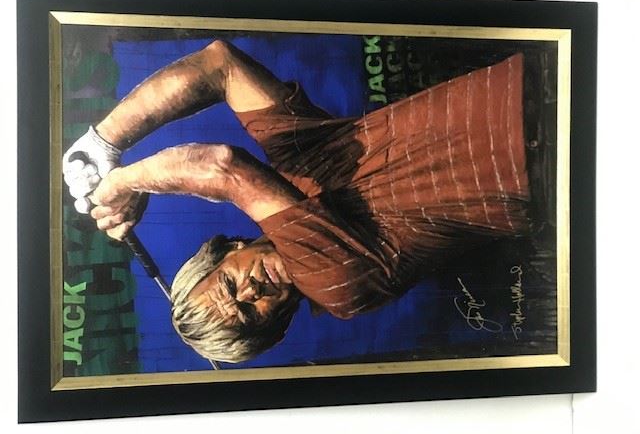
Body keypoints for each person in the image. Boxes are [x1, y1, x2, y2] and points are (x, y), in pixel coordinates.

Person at [62, 40, 531, 363]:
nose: (251, 292)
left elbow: (219, 66)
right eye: (249, 313)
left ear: (227, 251)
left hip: (537, 79)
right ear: (275, 326)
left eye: (229, 284)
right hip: (551, 163)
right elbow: (224, 168)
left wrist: (103, 142)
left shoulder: (298, 165)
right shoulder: (336, 287)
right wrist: (126, 182)